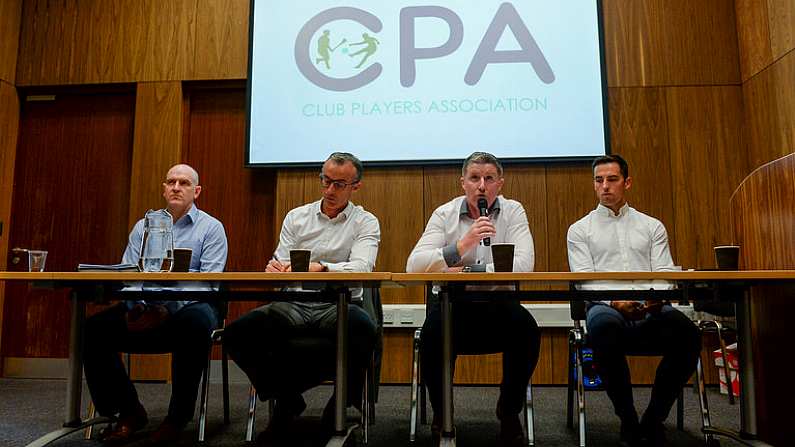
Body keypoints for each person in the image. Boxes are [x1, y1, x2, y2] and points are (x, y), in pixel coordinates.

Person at [223, 152, 380, 441]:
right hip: (294, 302)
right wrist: (275, 268)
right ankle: (287, 397)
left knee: (365, 330)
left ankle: (341, 403)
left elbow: (362, 268)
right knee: (236, 334)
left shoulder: (365, 222)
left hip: (339, 303)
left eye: (339, 184)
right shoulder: (297, 217)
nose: (330, 190)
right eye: (326, 181)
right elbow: (281, 261)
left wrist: (322, 268)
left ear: (355, 186)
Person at [83, 164, 228, 444]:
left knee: (195, 324)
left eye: (184, 183)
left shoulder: (211, 228)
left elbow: (208, 282)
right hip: (146, 307)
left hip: (189, 307)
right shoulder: (143, 226)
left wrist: (167, 309)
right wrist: (136, 305)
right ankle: (129, 412)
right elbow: (130, 274)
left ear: (196, 191)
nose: (176, 187)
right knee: (94, 328)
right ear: (163, 189)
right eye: (171, 182)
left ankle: (177, 419)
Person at [406, 151, 541, 447]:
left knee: (528, 331)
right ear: (463, 183)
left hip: (500, 305)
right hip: (453, 304)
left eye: (489, 178)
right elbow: (414, 265)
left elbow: (524, 265)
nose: (482, 185)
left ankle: (508, 411)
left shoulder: (513, 211)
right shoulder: (445, 214)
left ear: (500, 184)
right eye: (474, 178)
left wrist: (464, 269)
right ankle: (443, 413)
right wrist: (462, 244)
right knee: (431, 334)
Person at [566, 154, 701, 447]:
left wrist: (655, 299)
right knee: (603, 328)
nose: (605, 186)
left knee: (688, 334)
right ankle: (627, 419)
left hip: (650, 304)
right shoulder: (579, 229)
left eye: (612, 179)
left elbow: (664, 271)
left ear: (627, 182)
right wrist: (616, 302)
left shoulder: (651, 225)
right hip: (604, 305)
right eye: (599, 180)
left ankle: (653, 418)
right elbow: (585, 279)